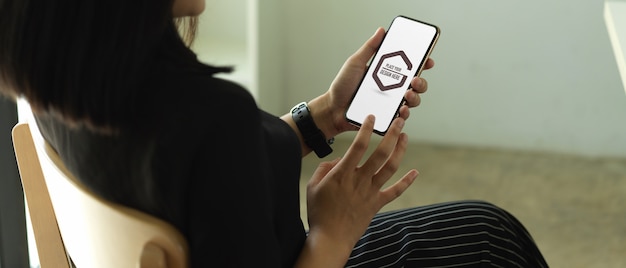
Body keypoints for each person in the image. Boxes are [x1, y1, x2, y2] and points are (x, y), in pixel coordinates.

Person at [0, 0, 549, 267]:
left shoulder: (60, 85)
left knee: (482, 228)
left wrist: (325, 115)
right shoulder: (212, 116)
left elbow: (204, 178)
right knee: (489, 243)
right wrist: (335, 230)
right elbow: (215, 150)